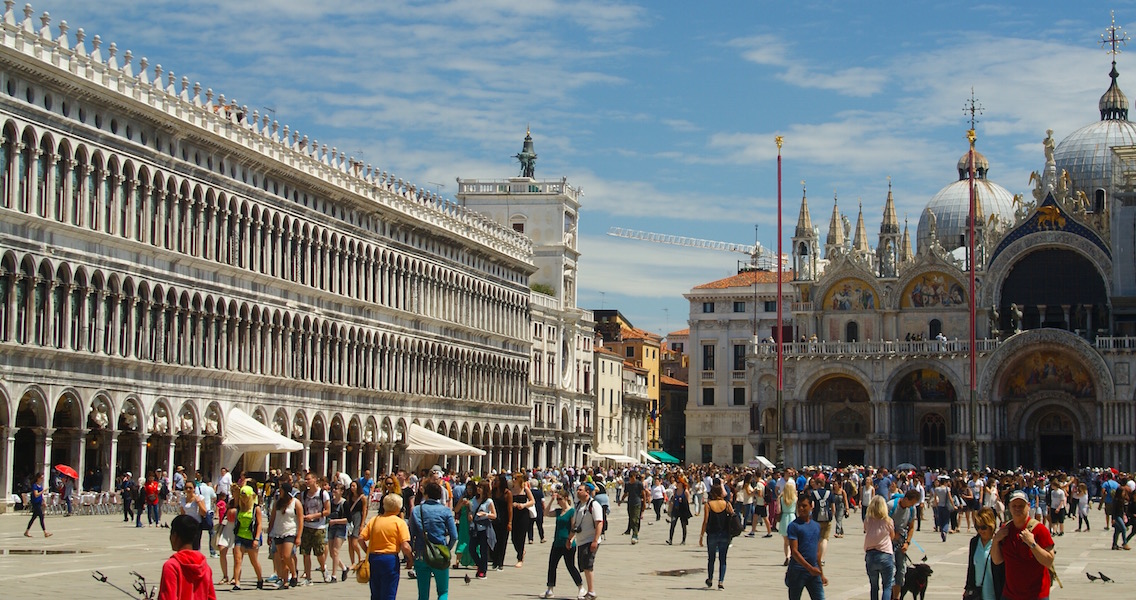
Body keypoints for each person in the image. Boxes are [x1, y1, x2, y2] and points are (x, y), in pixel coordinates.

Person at [990, 490, 1056, 600]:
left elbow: (1049, 561)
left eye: (1021, 506)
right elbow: (997, 560)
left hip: (1036, 595)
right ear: (1009, 507)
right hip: (1010, 594)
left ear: (1028, 506)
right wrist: (996, 540)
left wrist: (1032, 544)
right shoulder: (1005, 529)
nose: (1017, 509)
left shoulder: (1040, 530)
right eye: (1014, 506)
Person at [409, 481, 458, 600]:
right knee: (443, 591)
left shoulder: (416, 510)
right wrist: (447, 548)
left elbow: (411, 535)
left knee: (423, 594)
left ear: (425, 494)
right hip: (440, 553)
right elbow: (454, 535)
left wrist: (411, 553)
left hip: (421, 553)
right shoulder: (445, 511)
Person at [361, 493, 414, 600]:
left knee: (375, 593)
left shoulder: (374, 520)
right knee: (389, 592)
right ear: (399, 508)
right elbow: (405, 546)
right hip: (390, 559)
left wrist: (367, 551)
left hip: (374, 558)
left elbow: (360, 538)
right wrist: (410, 558)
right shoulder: (399, 523)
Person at [157, 514, 217, 600]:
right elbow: (211, 597)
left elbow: (168, 597)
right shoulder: (205, 567)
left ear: (175, 536)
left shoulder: (172, 566)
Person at [540, 484, 583, 599]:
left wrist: (570, 539)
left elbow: (574, 527)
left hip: (568, 543)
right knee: (552, 565)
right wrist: (551, 500)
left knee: (570, 566)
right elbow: (546, 513)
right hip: (557, 543)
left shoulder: (572, 511)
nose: (558, 501)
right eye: (557, 499)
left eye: (560, 499)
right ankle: (550, 589)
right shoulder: (559, 512)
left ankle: (581, 587)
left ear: (566, 499)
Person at [786, 494, 827, 600]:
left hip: (814, 572)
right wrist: (809, 568)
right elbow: (794, 551)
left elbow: (817, 553)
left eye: (804, 506)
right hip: (797, 572)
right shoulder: (793, 526)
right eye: (799, 506)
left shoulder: (816, 526)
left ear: (811, 506)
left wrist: (821, 573)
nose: (801, 508)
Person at [567, 483, 603, 600]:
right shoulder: (578, 506)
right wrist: (570, 538)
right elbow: (576, 525)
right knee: (583, 565)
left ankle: (591, 591)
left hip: (590, 539)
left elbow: (599, 523)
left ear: (587, 492)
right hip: (581, 540)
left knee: (588, 565)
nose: (578, 491)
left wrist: (595, 540)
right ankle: (589, 590)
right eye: (578, 490)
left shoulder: (594, 505)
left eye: (580, 490)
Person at [267, 482, 302, 589]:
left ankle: (294, 574)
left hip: (290, 531)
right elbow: (272, 519)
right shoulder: (277, 503)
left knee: (287, 555)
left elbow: (300, 520)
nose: (279, 492)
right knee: (282, 557)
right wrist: (269, 533)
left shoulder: (295, 503)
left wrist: (299, 536)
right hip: (278, 531)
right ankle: (285, 581)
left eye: (281, 490)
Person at [299, 472, 332, 584]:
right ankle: (308, 577)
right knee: (305, 553)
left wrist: (313, 516)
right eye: (305, 479)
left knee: (319, 553)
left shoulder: (323, 494)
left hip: (319, 526)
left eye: (308, 479)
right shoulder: (304, 494)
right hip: (306, 526)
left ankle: (324, 569)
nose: (306, 481)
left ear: (314, 479)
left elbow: (327, 511)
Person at [699, 484, 733, 589]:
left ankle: (710, 578)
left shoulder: (708, 505)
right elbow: (733, 516)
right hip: (724, 534)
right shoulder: (727, 504)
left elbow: (705, 521)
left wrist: (701, 535)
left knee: (711, 558)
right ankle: (721, 581)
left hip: (712, 534)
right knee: (723, 559)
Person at [230, 485, 264, 590]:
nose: (243, 499)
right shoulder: (239, 507)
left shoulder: (255, 508)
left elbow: (259, 524)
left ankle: (259, 579)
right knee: (237, 560)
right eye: (242, 496)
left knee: (253, 561)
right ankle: (237, 582)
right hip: (240, 536)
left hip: (251, 537)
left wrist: (256, 539)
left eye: (245, 497)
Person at [888, 489, 920, 600]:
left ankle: (896, 597)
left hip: (901, 544)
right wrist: (892, 534)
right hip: (887, 544)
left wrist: (907, 543)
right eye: (912, 503)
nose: (912, 505)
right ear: (906, 499)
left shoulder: (912, 509)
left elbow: (911, 527)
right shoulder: (891, 506)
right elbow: (881, 524)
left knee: (901, 571)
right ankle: (888, 595)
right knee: (890, 570)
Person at [964, 507, 1001, 600]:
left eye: (983, 527)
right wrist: (968, 588)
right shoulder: (974, 542)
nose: (980, 530)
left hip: (995, 594)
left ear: (991, 525)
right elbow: (971, 567)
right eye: (977, 527)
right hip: (977, 594)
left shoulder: (999, 543)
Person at [862, 496, 895, 600]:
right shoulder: (888, 521)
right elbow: (892, 535)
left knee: (874, 587)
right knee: (887, 586)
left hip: (871, 554)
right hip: (885, 553)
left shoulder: (868, 520)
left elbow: (866, 530)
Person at [470, 480, 498, 580]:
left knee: (483, 550)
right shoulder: (473, 499)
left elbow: (494, 515)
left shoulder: (489, 501)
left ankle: (483, 571)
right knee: (471, 549)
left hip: (484, 527)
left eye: (481, 487)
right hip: (475, 527)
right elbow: (471, 511)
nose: (478, 489)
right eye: (478, 487)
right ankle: (480, 566)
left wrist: (485, 514)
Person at [509, 472, 535, 568]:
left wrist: (523, 505)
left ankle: (520, 558)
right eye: (513, 478)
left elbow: (532, 501)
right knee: (513, 537)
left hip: (523, 514)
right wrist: (512, 504)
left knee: (521, 536)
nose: (513, 480)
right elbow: (508, 502)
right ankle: (521, 551)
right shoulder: (511, 490)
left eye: (515, 478)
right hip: (514, 514)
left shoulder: (525, 489)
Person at [808, 475, 836, 566]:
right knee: (824, 539)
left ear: (818, 484)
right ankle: (822, 558)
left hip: (816, 519)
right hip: (827, 519)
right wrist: (832, 515)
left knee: (817, 539)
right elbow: (833, 507)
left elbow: (812, 506)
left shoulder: (814, 493)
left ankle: (816, 557)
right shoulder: (829, 493)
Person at [328, 483, 351, 582]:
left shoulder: (344, 503)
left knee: (335, 550)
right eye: (334, 489)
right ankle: (344, 567)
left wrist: (335, 521)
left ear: (341, 492)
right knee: (331, 553)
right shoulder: (331, 502)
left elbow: (348, 519)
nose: (334, 490)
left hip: (341, 527)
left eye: (336, 489)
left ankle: (334, 575)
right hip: (331, 527)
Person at [489, 473, 513, 570]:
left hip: (504, 519)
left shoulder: (508, 493)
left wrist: (510, 522)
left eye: (497, 480)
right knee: (492, 540)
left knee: (502, 541)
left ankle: (500, 562)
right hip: (494, 519)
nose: (495, 482)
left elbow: (510, 508)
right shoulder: (493, 491)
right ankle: (494, 560)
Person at [621, 471, 647, 544]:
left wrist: (644, 503)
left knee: (635, 519)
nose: (632, 479)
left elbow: (643, 493)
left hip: (637, 503)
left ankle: (635, 535)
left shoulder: (639, 484)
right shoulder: (628, 484)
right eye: (631, 478)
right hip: (630, 503)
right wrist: (621, 500)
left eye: (633, 477)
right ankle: (634, 532)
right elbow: (626, 493)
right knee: (631, 518)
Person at [179, 484, 207, 551]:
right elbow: (182, 513)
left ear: (194, 489)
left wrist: (199, 502)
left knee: (195, 546)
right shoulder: (183, 499)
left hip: (196, 525)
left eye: (190, 488)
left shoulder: (199, 497)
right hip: (186, 525)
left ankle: (195, 560)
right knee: (186, 546)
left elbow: (204, 512)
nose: (188, 489)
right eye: (186, 488)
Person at [347, 480, 368, 569]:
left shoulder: (362, 498)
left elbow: (364, 511)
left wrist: (362, 524)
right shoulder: (349, 497)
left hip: (358, 518)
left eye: (354, 486)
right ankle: (352, 562)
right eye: (351, 486)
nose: (352, 488)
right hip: (350, 519)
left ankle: (360, 559)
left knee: (354, 542)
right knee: (349, 543)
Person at [23, 471, 51, 538]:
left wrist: (43, 501)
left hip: (39, 502)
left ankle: (26, 531)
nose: (42, 479)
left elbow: (41, 496)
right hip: (35, 503)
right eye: (41, 478)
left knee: (33, 518)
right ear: (38, 478)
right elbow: (36, 495)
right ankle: (45, 532)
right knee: (41, 517)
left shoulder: (39, 486)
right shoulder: (35, 485)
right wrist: (43, 491)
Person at [215, 495, 235, 586]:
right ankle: (225, 576)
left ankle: (235, 576)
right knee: (222, 549)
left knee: (237, 554)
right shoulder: (231, 501)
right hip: (227, 527)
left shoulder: (243, 501)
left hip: (236, 529)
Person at [667, 478, 692, 545]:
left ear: (681, 484)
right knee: (673, 524)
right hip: (675, 509)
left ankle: (683, 540)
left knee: (683, 525)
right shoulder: (675, 491)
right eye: (677, 483)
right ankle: (670, 539)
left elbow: (688, 502)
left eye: (678, 483)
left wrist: (683, 501)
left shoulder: (685, 491)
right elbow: (672, 500)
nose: (677, 484)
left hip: (683, 510)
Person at [779, 479, 798, 566]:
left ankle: (787, 556)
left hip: (784, 517)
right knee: (793, 540)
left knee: (785, 541)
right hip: (792, 517)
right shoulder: (795, 499)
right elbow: (797, 511)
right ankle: (792, 556)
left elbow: (778, 511)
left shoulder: (781, 498)